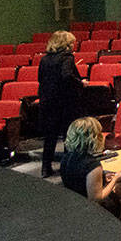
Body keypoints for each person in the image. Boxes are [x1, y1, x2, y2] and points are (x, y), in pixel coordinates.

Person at [37, 29, 84, 178]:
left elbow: (40, 79)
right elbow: (67, 76)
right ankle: (66, 168)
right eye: (71, 43)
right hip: (65, 102)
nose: (73, 45)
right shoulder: (67, 58)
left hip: (48, 102)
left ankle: (46, 168)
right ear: (66, 44)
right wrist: (81, 83)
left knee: (50, 137)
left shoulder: (44, 59)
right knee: (67, 136)